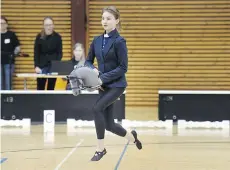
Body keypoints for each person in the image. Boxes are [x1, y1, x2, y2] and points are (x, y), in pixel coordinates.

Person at [86, 6, 142, 161]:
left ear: (116, 21)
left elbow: (123, 68)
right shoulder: (96, 40)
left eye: (108, 18)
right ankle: (133, 138)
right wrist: (94, 71)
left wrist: (102, 77)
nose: (105, 21)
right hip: (102, 85)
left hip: (117, 85)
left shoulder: (119, 41)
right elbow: (88, 61)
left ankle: (100, 149)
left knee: (97, 108)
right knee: (109, 125)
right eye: (103, 18)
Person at [34, 16, 62, 90]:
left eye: (50, 25)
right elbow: (36, 53)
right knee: (40, 88)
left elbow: (59, 53)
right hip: (41, 66)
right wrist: (36, 66)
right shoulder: (39, 37)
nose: (49, 27)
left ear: (53, 25)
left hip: (53, 66)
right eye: (47, 25)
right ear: (44, 26)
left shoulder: (58, 37)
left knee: (51, 88)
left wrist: (56, 66)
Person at [1, 16, 20, 90]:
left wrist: (13, 55)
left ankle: (9, 99)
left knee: (8, 83)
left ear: (6, 24)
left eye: (3, 23)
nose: (1, 25)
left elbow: (17, 47)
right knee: (0, 84)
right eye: (0, 23)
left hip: (9, 63)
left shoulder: (11, 35)